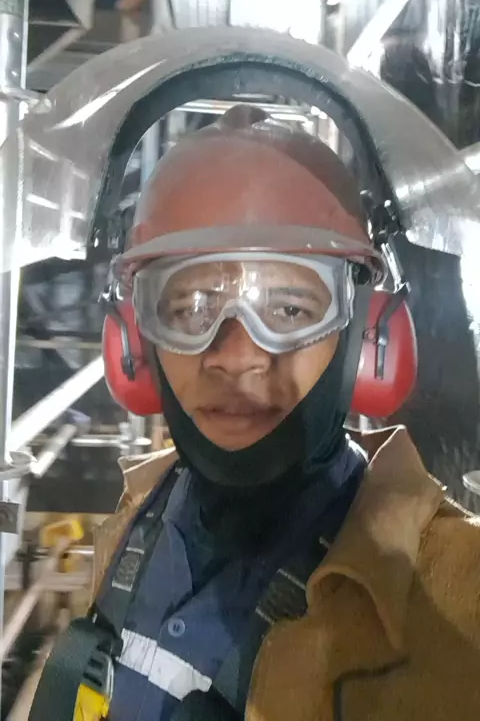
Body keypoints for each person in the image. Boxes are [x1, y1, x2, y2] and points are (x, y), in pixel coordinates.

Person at [31, 105, 480, 721]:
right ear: (135, 343)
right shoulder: (138, 516)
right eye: (190, 309)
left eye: (290, 310)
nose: (238, 355)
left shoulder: (459, 597)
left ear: (371, 336)